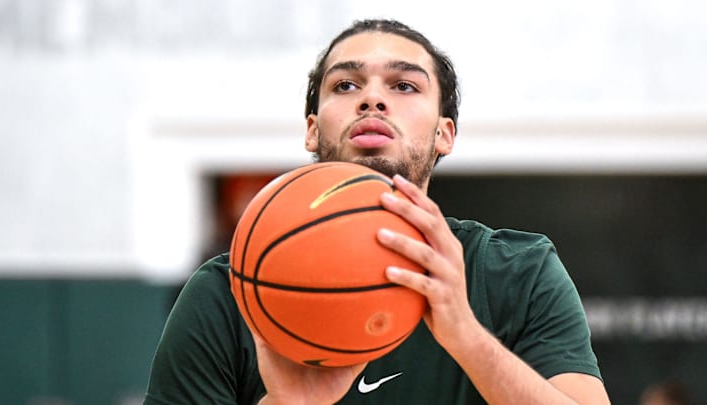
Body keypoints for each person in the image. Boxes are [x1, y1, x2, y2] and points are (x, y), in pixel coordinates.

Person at [144, 19, 611, 404]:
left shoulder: (518, 271)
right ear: (312, 130)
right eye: (345, 84)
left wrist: (466, 337)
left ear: (444, 134)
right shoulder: (226, 294)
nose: (372, 99)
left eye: (405, 85)